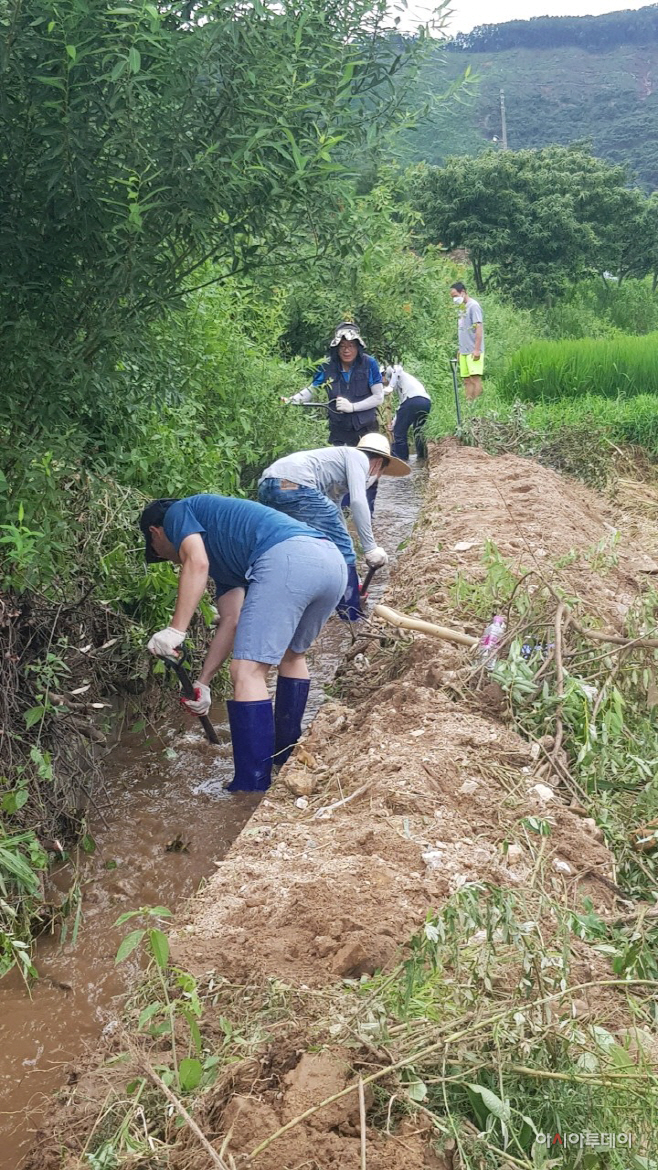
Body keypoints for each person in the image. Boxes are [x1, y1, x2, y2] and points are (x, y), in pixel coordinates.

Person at [140, 495, 347, 792]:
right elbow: (232, 620)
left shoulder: (175, 513)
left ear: (155, 532)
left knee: (247, 672)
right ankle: (284, 757)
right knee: (292, 655)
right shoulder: (228, 560)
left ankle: (251, 786)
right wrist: (204, 682)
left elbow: (195, 563)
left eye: (156, 551)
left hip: (287, 557)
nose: (164, 557)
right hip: (330, 561)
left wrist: (176, 630)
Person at [258, 433, 410, 620]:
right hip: (297, 484)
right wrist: (370, 548)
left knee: (299, 545)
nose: (376, 478)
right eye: (380, 474)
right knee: (341, 547)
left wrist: (353, 574)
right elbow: (357, 501)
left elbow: (335, 513)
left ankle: (290, 601)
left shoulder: (337, 465)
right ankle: (351, 612)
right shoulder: (359, 457)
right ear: (378, 463)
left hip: (274, 484)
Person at [284, 322, 384, 447]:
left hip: (366, 430)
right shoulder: (326, 366)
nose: (346, 350)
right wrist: (291, 400)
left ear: (358, 347)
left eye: (351, 345)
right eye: (342, 346)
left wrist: (353, 407)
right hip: (338, 431)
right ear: (336, 348)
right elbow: (313, 390)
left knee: (367, 464)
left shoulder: (369, 363)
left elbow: (378, 397)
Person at [383, 364, 431, 460]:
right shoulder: (406, 383)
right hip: (426, 402)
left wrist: (391, 386)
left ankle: (401, 459)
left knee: (399, 432)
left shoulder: (399, 373)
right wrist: (394, 422)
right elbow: (402, 404)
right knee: (418, 430)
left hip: (413, 400)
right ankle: (421, 457)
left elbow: (397, 369)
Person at [450, 282, 484, 401]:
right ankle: (469, 404)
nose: (454, 299)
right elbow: (463, 329)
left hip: (473, 350)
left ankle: (478, 404)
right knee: (466, 379)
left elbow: (478, 328)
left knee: (475, 378)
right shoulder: (461, 308)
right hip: (464, 350)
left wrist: (476, 349)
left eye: (455, 296)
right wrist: (460, 348)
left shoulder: (473, 306)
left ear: (463, 292)